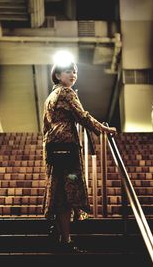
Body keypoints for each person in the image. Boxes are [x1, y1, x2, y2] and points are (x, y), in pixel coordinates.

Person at [42, 61, 116, 252]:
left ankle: (60, 234)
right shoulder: (67, 92)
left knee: (58, 191)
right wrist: (103, 129)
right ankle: (66, 241)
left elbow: (45, 126)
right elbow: (82, 116)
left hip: (52, 148)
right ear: (58, 75)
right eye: (68, 71)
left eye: (75, 71)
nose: (73, 75)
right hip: (67, 147)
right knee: (68, 193)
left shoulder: (50, 97)